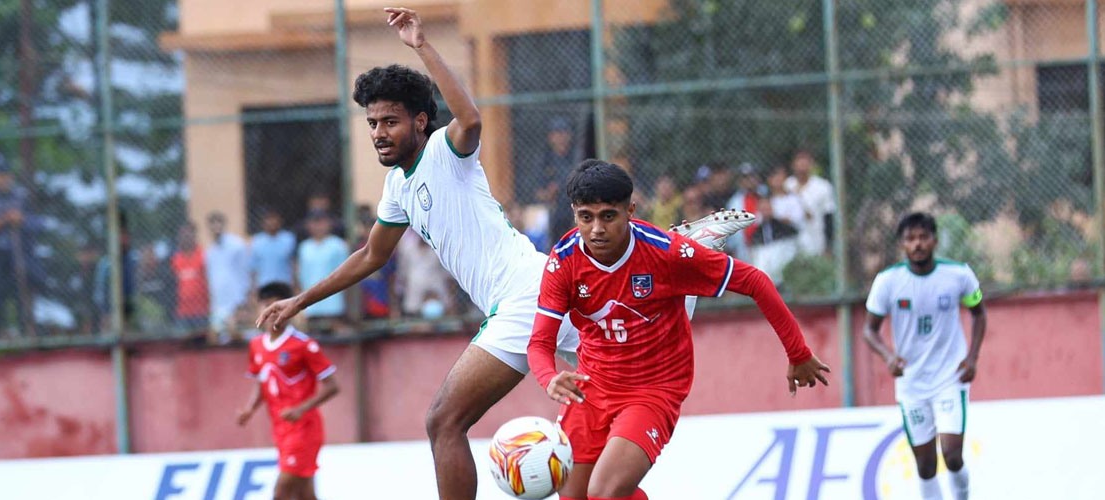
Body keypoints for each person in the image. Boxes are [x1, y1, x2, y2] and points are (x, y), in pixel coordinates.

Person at [254, 8, 752, 499]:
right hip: (539, 286)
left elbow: (470, 118)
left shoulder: (444, 151)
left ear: (421, 121)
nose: (379, 133)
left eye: (390, 121)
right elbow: (370, 256)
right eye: (372, 123)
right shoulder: (396, 188)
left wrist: (421, 45)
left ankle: (676, 258)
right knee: (601, 442)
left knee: (444, 419)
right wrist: (299, 301)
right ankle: (677, 269)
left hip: (520, 296)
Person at [527, 160, 829, 500]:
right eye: (586, 217)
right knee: (573, 496)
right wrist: (549, 378)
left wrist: (798, 353)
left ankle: (695, 245)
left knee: (605, 492)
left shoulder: (665, 253)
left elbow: (755, 281)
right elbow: (539, 343)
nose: (597, 229)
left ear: (630, 211)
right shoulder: (562, 261)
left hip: (653, 388)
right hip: (592, 385)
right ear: (574, 213)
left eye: (608, 216)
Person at [863, 212, 986, 500]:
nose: (917, 244)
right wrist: (888, 356)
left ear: (934, 241)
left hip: (950, 378)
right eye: (910, 239)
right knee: (926, 465)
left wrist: (972, 357)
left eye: (923, 237)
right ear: (902, 244)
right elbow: (869, 330)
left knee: (952, 454)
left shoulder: (959, 275)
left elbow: (979, 313)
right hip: (912, 384)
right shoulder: (888, 281)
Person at [237, 282, 339, 500]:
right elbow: (262, 381)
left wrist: (301, 409)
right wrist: (250, 408)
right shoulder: (256, 345)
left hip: (303, 428)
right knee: (305, 494)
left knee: (281, 492)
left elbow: (333, 386)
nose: (272, 313)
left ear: (289, 309)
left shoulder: (303, 345)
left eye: (277, 307)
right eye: (266, 306)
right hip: (280, 429)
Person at [0, 153, 42, 337]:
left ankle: (24, 332)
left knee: (21, 291)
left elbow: (35, 222)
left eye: (5, 175)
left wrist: (20, 219)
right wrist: (6, 219)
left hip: (19, 251)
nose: (3, 179)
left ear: (11, 177)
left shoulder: (22, 196)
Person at [297, 210, 350, 333]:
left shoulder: (338, 245)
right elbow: (300, 276)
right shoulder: (304, 247)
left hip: (334, 304)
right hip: (310, 306)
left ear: (329, 223)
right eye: (314, 222)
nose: (318, 226)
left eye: (321, 222)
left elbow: (347, 274)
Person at [205, 211, 250, 340]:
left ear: (223, 225)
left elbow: (245, 272)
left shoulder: (237, 245)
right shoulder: (210, 252)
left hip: (237, 302)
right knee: (214, 338)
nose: (216, 227)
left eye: (218, 223)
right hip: (218, 304)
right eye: (213, 224)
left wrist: (244, 299)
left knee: (237, 336)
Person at [784, 149, 836, 256]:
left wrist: (829, 245)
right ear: (793, 164)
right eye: (799, 160)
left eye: (806, 160)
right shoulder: (787, 185)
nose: (802, 163)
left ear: (812, 164)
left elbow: (828, 216)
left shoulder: (823, 186)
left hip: (816, 239)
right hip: (790, 241)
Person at [170, 223, 210, 334]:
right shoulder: (175, 259)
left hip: (201, 311)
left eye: (189, 234)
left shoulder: (203, 255)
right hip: (182, 311)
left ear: (194, 236)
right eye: (183, 234)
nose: (186, 237)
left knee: (202, 339)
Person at [250, 208, 297, 290]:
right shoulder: (257, 241)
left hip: (284, 285)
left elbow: (293, 263)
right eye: (268, 219)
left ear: (280, 221)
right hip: (264, 286)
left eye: (274, 218)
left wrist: (295, 283)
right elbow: (254, 268)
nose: (271, 222)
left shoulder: (288, 239)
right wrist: (253, 288)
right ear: (263, 222)